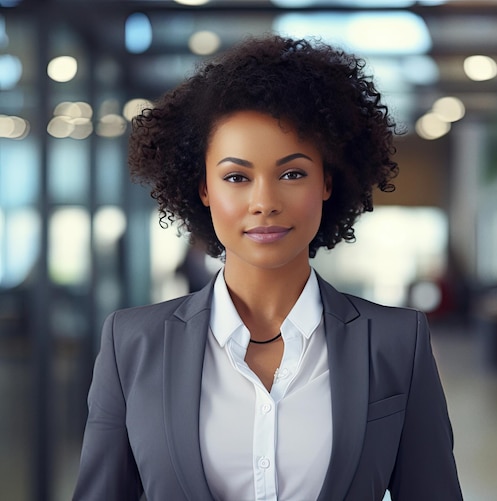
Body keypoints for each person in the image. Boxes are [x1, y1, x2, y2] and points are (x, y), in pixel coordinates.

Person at [73, 35, 463, 501]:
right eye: (237, 177)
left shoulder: (397, 343)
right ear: (202, 189)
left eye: (292, 173)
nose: (264, 203)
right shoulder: (131, 345)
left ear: (327, 183)